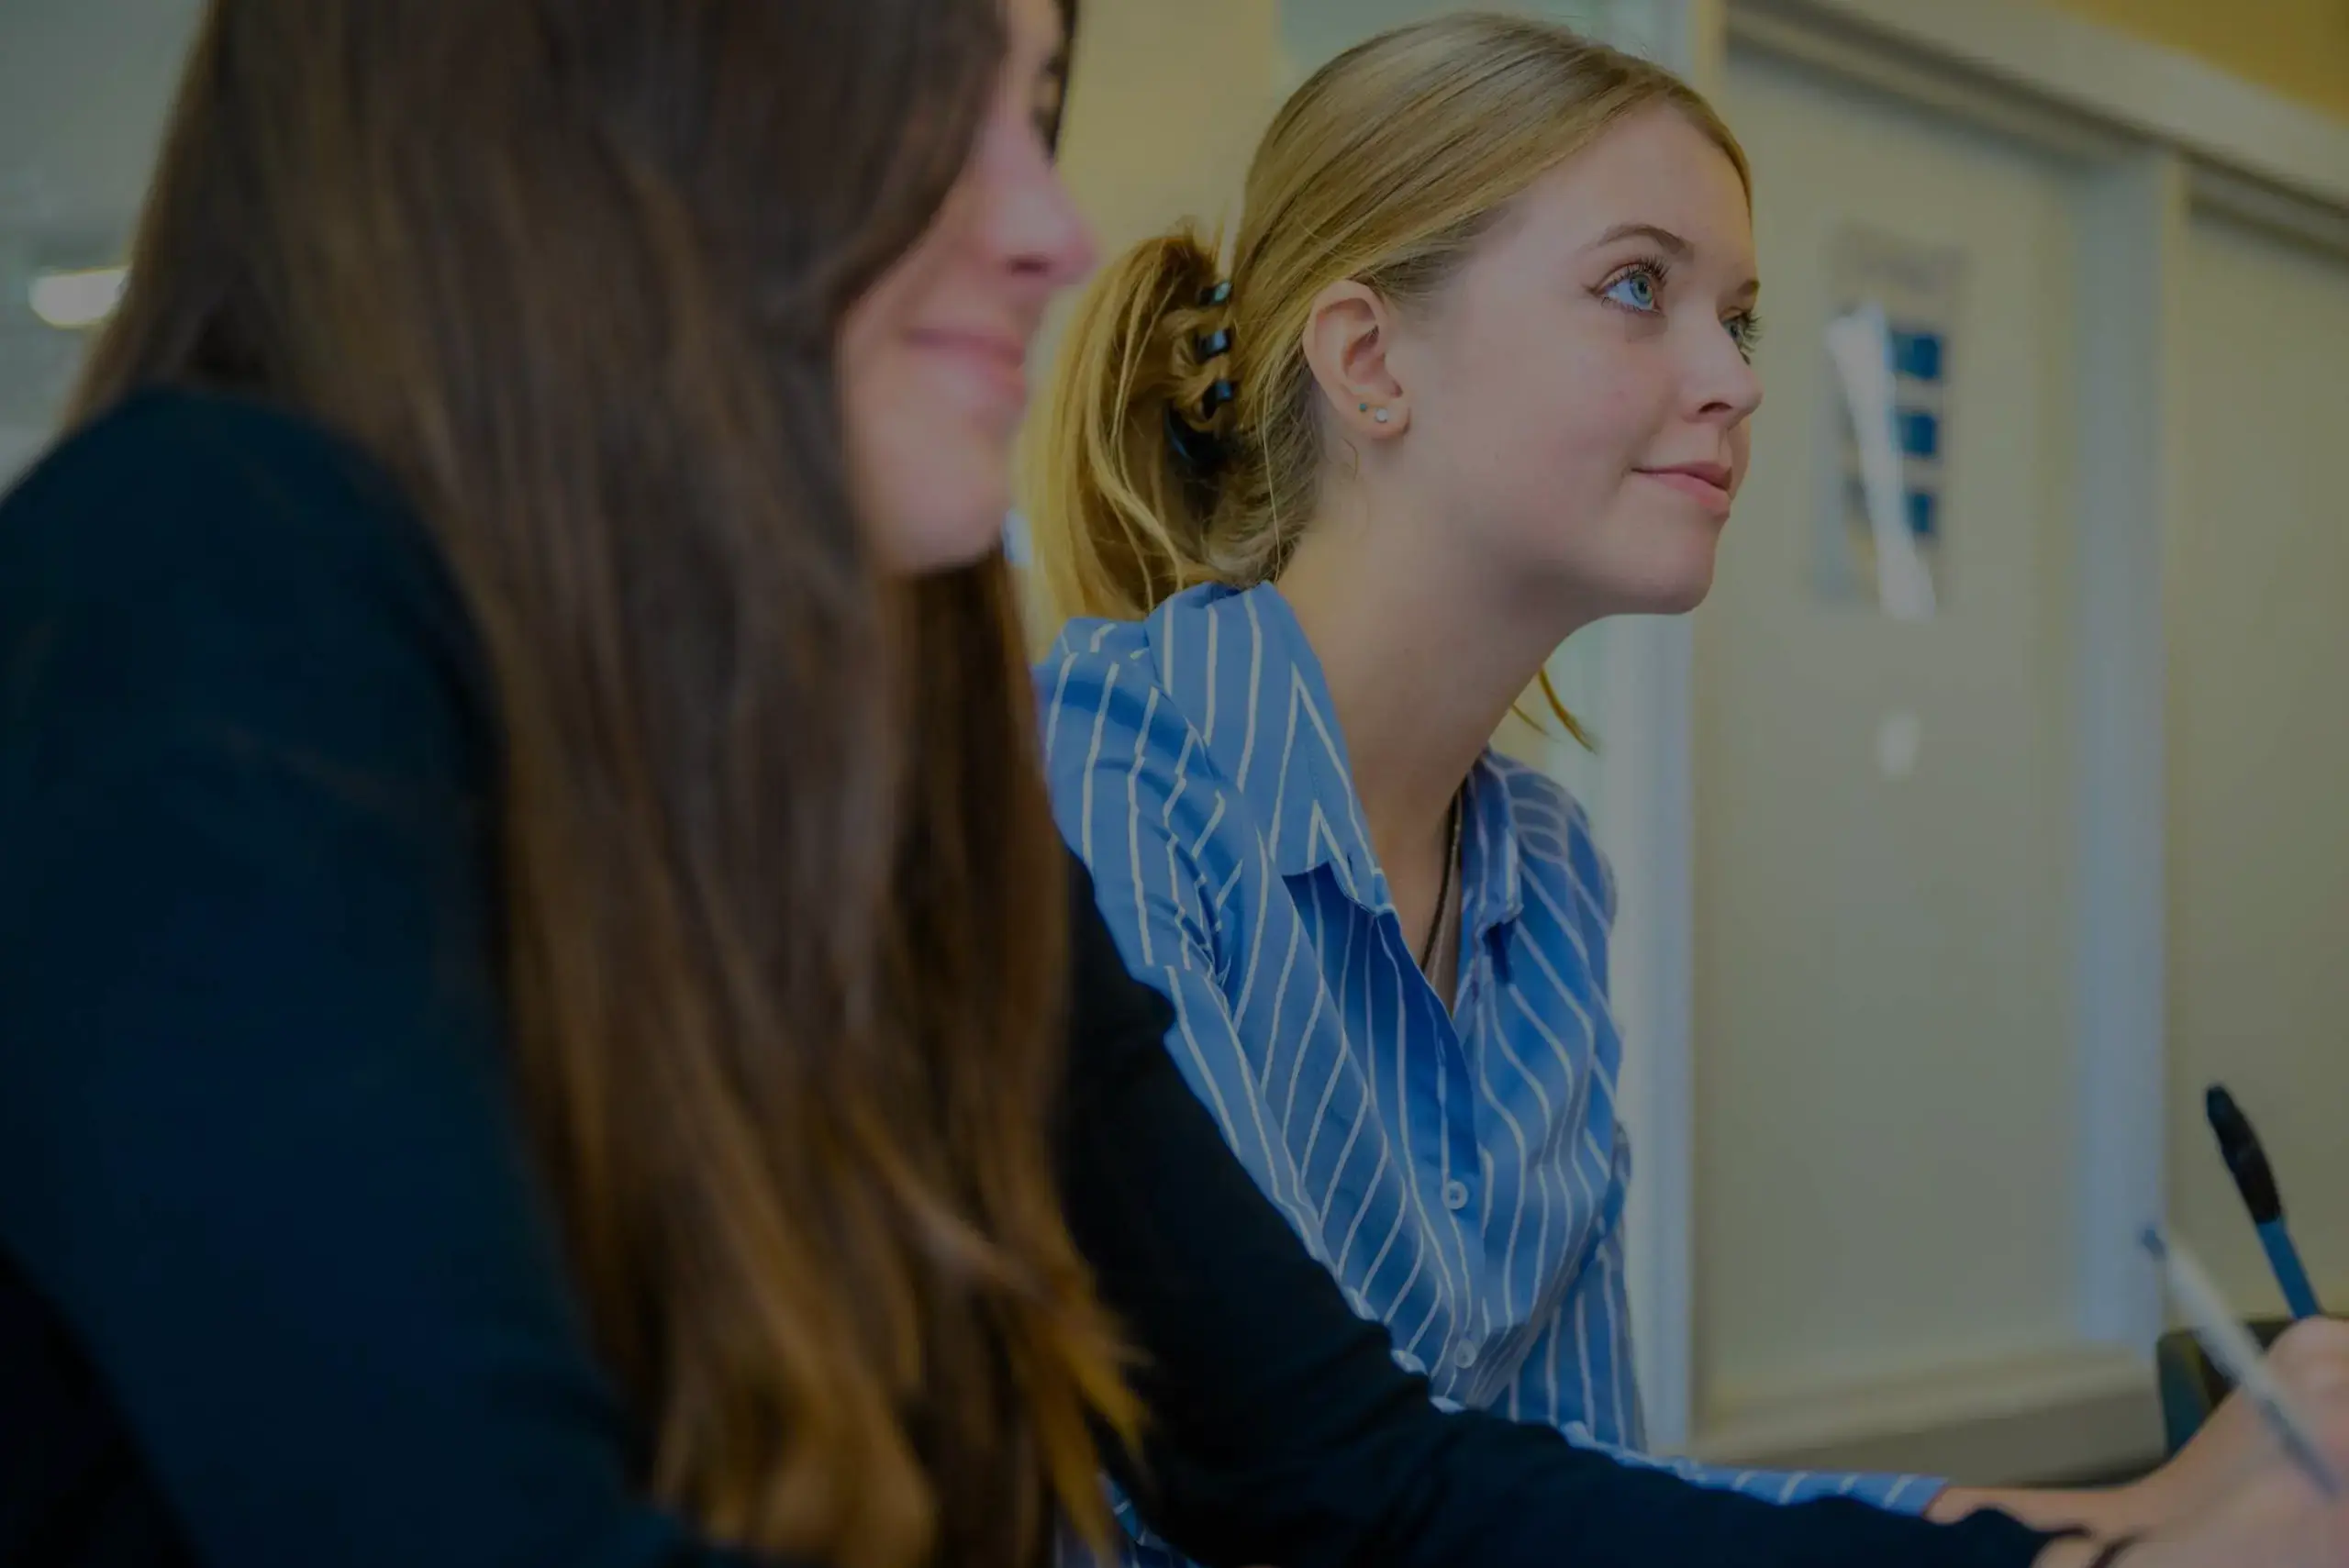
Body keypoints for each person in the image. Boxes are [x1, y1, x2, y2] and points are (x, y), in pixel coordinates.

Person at [0, 3, 2338, 1568]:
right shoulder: (208, 578)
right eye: (961, 101)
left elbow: (1348, 1475)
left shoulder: (893, 720)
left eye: (1042, 103)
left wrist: (2100, 1546)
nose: (1053, 221)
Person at [1027, 11, 2349, 1567]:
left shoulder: (1546, 875)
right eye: (1638, 288)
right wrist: (2114, 1543)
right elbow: (1290, 1500)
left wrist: (2142, 1511)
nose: (1734, 379)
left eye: (1741, 317)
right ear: (1372, 358)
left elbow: (1577, 1496)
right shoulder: (1110, 782)